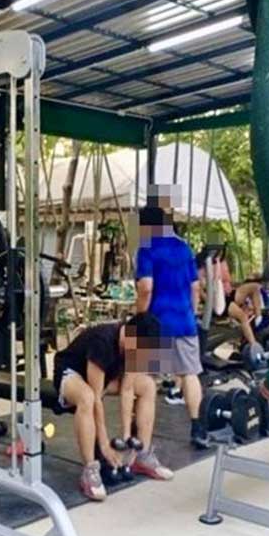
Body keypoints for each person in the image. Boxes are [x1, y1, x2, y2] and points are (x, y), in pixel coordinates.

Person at [54, 313, 173, 502]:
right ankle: (90, 470)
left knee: (148, 385)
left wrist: (127, 440)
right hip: (72, 373)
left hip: (105, 378)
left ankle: (142, 455)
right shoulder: (102, 342)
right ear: (130, 335)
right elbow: (97, 399)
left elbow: (127, 389)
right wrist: (104, 445)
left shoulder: (137, 345)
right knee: (87, 398)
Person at [135, 189, 206, 450]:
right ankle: (198, 428)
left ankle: (140, 434)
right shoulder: (184, 248)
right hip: (184, 321)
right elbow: (196, 288)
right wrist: (191, 313)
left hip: (156, 322)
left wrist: (139, 316)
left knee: (145, 378)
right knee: (189, 374)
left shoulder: (146, 249)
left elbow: (146, 288)